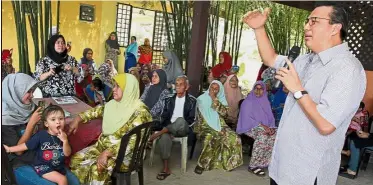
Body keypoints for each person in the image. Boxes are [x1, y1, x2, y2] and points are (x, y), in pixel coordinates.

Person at [242, 3, 366, 185]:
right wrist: (259, 29)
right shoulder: (306, 59)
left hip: (307, 173)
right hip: (282, 166)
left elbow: (326, 125)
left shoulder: (347, 69)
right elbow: (270, 59)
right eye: (307, 21)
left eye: (314, 21)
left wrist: (298, 91)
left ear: (335, 28)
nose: (306, 26)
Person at [68, 74, 152, 185]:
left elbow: (131, 142)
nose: (113, 89)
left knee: (97, 169)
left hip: (124, 155)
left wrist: (108, 152)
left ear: (128, 89)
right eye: (114, 86)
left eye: (118, 86)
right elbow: (96, 111)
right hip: (103, 147)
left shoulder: (140, 112)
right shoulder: (113, 104)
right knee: (75, 159)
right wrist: (78, 119)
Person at [1, 73, 80, 185]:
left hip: (43, 157)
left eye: (32, 91)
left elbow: (46, 132)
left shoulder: (30, 107)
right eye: (28, 91)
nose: (32, 96)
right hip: (21, 163)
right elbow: (18, 152)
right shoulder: (4, 119)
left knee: (75, 182)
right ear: (16, 92)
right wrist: (31, 124)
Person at [4, 105, 74, 185]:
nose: (58, 122)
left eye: (61, 119)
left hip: (57, 167)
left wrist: (65, 141)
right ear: (46, 124)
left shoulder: (64, 136)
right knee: (62, 180)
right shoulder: (41, 135)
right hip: (42, 166)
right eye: (53, 119)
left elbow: (67, 153)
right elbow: (25, 146)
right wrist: (9, 149)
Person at [149, 76, 197, 180]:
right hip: (168, 127)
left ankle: (158, 134)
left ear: (187, 87)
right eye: (176, 84)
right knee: (164, 138)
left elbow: (192, 120)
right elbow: (164, 117)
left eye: (181, 84)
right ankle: (166, 168)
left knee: (180, 120)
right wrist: (169, 128)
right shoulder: (169, 99)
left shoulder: (192, 101)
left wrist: (169, 128)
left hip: (183, 128)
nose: (177, 86)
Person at [194, 80, 243, 174]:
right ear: (209, 88)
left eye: (216, 89)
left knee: (235, 137)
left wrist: (214, 99)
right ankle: (202, 165)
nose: (213, 90)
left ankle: (229, 163)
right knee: (211, 137)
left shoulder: (222, 99)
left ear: (220, 90)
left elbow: (224, 114)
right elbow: (198, 118)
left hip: (221, 125)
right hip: (205, 126)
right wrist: (215, 130)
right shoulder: (201, 99)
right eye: (212, 88)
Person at [236, 81, 276, 177]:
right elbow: (246, 119)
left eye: (261, 89)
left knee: (274, 135)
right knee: (262, 136)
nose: (258, 91)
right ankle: (253, 166)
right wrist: (263, 126)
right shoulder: (247, 102)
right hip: (249, 127)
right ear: (253, 90)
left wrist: (271, 128)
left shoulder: (265, 101)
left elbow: (270, 118)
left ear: (264, 90)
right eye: (256, 88)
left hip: (264, 127)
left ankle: (264, 163)